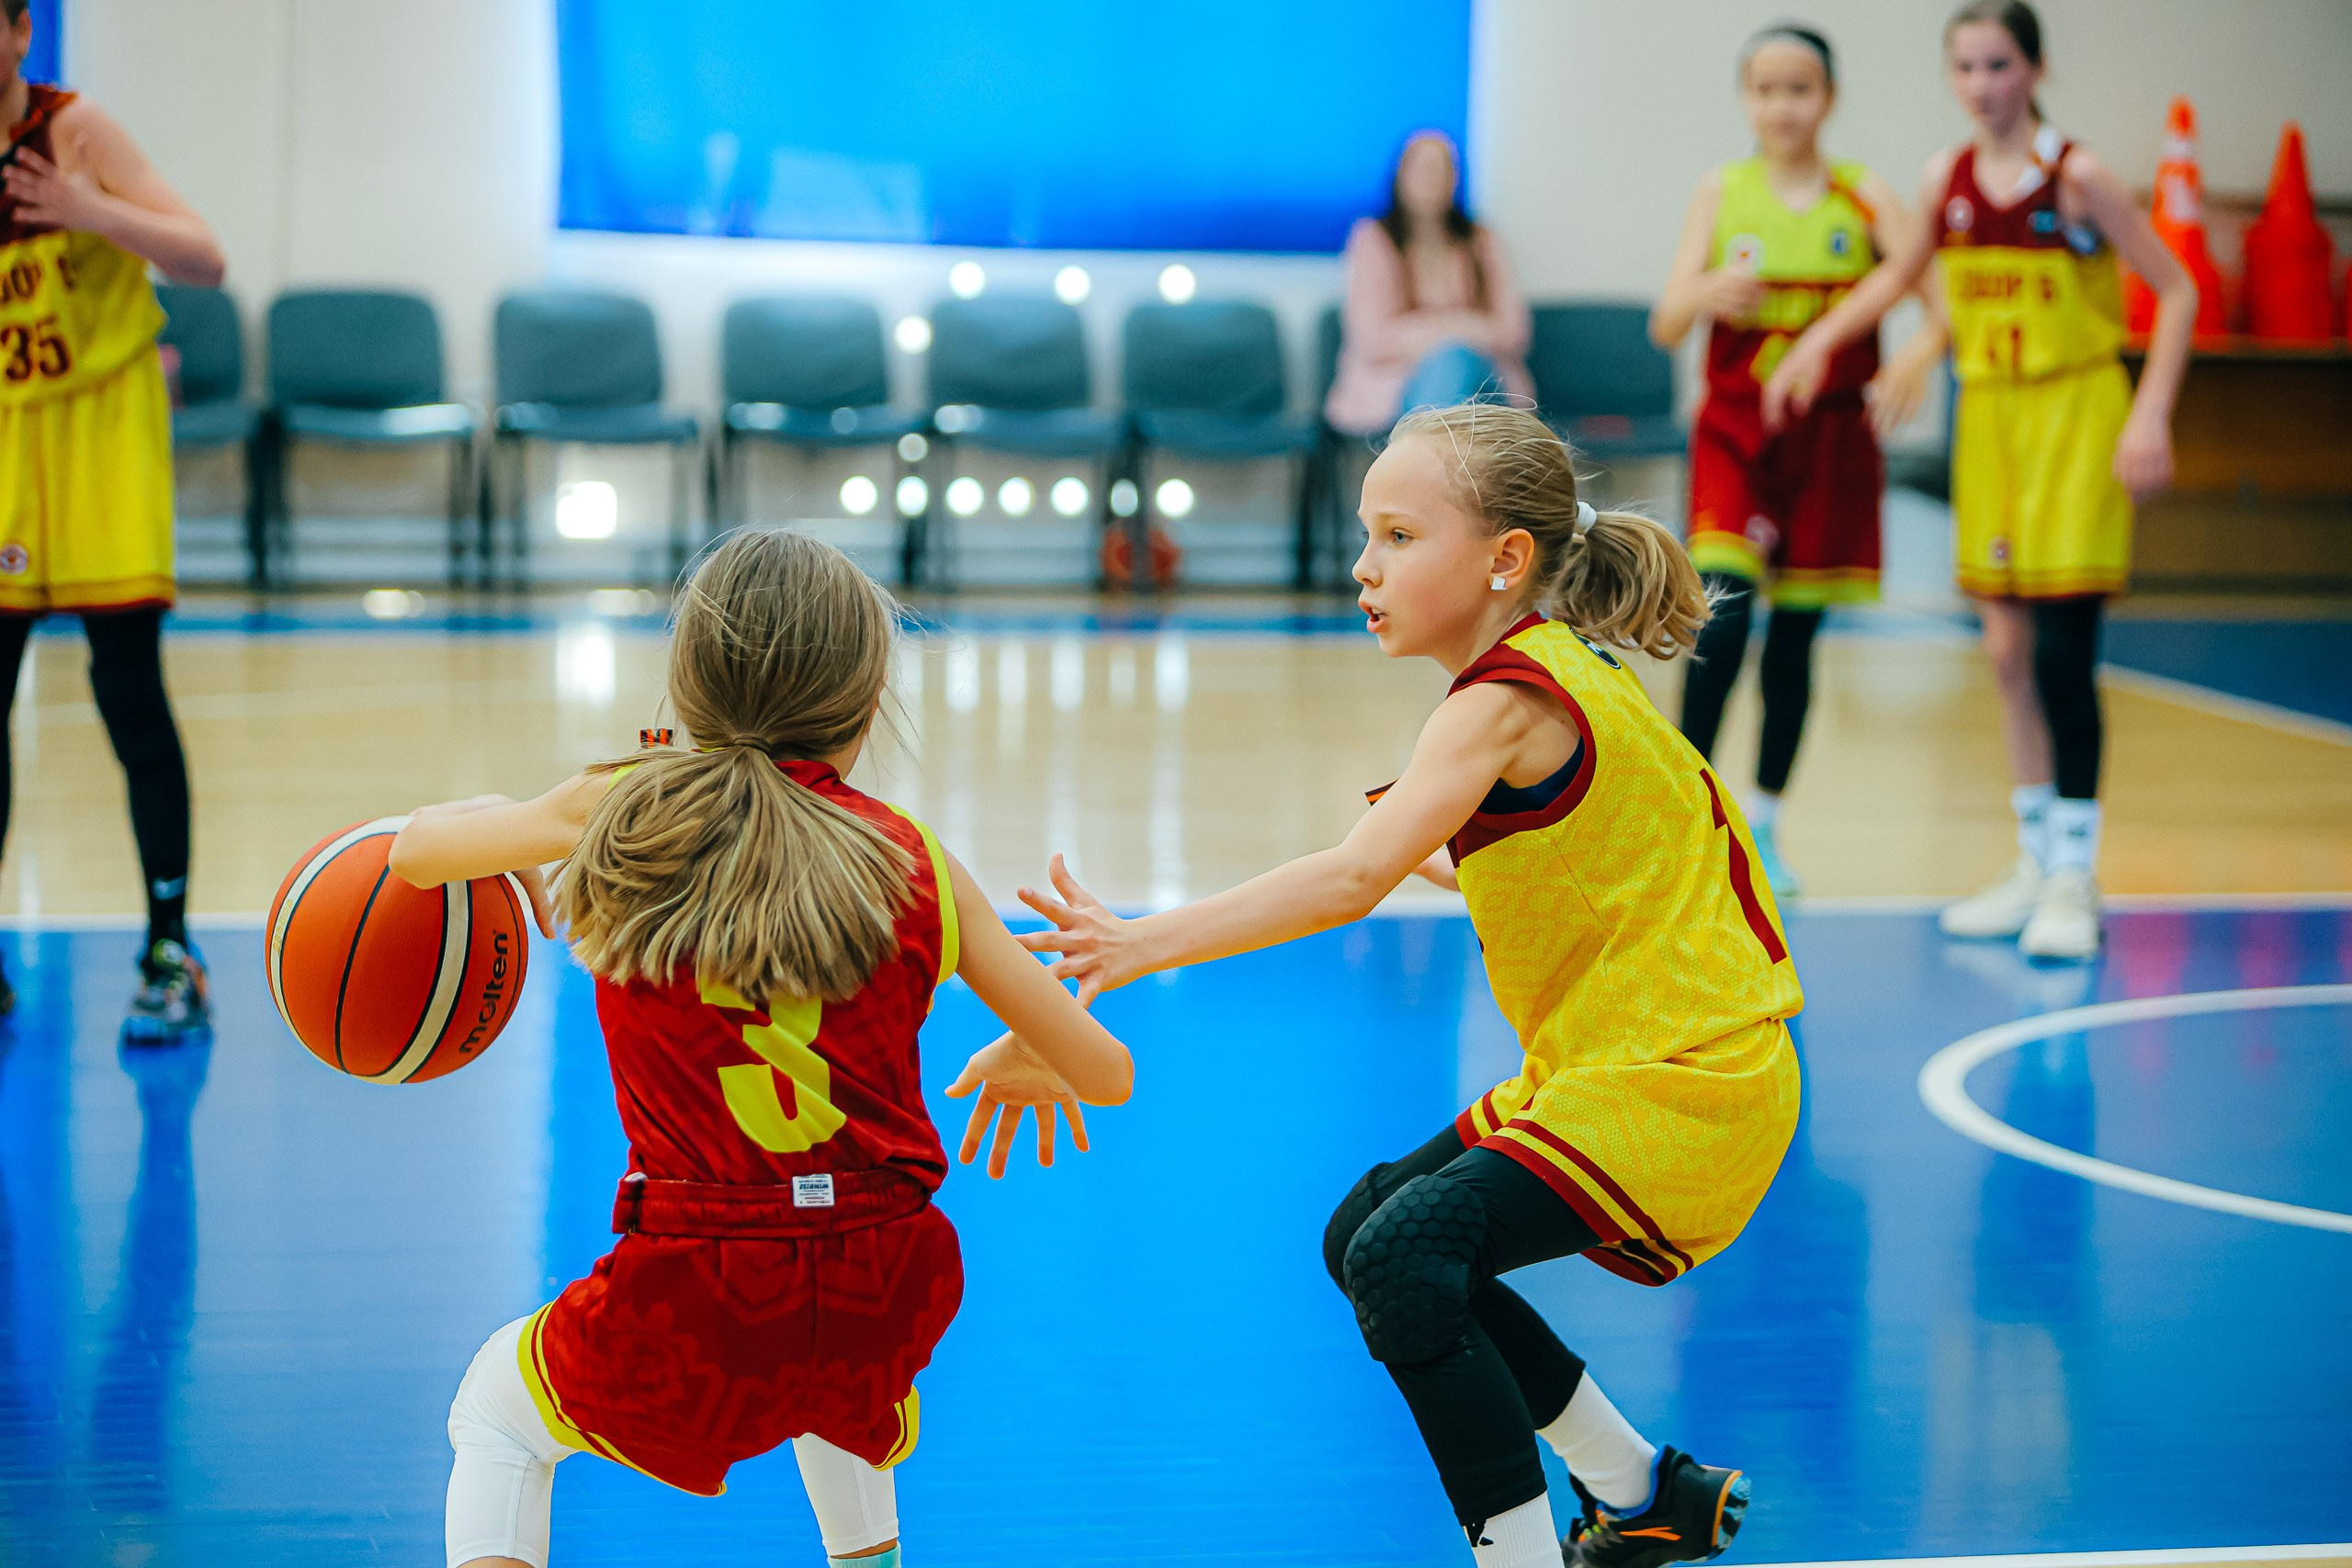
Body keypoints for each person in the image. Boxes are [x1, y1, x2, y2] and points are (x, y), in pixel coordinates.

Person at [979, 404, 1802, 1568]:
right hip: (1640, 1063)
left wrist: (1132, 946)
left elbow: (1355, 877)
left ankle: (1519, 1556)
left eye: (1401, 536)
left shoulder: (1499, 703)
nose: (1365, 565)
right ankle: (1641, 1489)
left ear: (1504, 560)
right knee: (1367, 1232)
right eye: (1368, 535)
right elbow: (1554, 865)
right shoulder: (1564, 672)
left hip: (1681, 1080)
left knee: (1404, 1258)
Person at [387, 530, 1135, 1568]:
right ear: (870, 704)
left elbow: (416, 851)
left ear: (685, 690)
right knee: (830, 1388)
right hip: (888, 1284)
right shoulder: (917, 857)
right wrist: (1022, 1047)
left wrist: (512, 817)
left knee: (499, 1414)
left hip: (698, 1293)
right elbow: (1106, 1072)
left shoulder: (618, 807)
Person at [1764, 0, 2192, 959]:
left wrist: (2150, 411)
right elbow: (1893, 277)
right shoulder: (1945, 180)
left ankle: (2076, 873)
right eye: (1964, 68)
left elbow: (2175, 288)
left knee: (2059, 655)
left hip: (2072, 418)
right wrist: (1819, 343)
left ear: (2033, 71)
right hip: (1990, 422)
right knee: (2003, 655)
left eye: (1997, 65)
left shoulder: (2076, 177)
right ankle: (2034, 859)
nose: (1981, 85)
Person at [1650, 21, 1942, 896]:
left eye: (1799, 88)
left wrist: (1915, 359)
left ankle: (1767, 826)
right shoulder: (1722, 191)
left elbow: (1942, 307)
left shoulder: (1866, 197)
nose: (1782, 105)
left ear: (1830, 98)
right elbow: (1665, 322)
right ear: (1746, 98)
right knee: (1722, 617)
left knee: (1797, 644)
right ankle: (1685, 816)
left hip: (1831, 442)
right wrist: (1702, 291)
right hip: (1738, 435)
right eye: (1765, 89)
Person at [0, 0, 225, 1029]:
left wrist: (92, 214)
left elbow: (202, 257)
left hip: (98, 432)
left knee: (128, 694)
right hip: (9, 434)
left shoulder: (75, 130)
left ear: (18, 34)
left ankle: (171, 951)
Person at [1326, 130, 1532, 436]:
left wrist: (1427, 332)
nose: (1431, 178)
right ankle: (1438, 469)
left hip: (1486, 386)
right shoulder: (1373, 239)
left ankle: (1425, 470)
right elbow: (1374, 341)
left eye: (1442, 168)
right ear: (1400, 175)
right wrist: (1465, 326)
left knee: (1458, 363)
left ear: (1456, 178)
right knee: (1449, 367)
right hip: (1399, 389)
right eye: (1421, 167)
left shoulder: (1483, 241)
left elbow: (1513, 333)